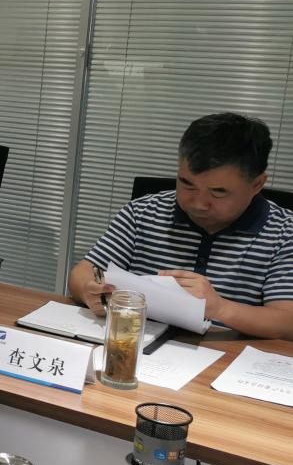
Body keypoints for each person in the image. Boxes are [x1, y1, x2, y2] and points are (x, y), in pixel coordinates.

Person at [69, 113, 293, 339]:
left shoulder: (284, 233)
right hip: (139, 343)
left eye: (218, 192)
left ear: (257, 184)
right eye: (187, 184)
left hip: (226, 354)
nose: (198, 203)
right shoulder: (142, 212)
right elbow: (82, 273)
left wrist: (220, 308)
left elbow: (287, 321)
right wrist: (90, 292)